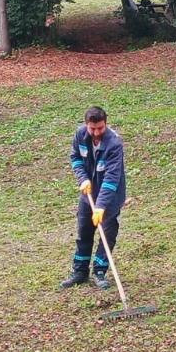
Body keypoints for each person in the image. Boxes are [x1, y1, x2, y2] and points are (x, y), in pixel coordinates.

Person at [59, 106, 127, 290]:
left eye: (100, 128)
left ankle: (100, 271)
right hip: (88, 194)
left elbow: (112, 179)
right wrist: (83, 179)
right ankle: (80, 271)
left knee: (107, 234)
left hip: (110, 197)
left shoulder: (114, 144)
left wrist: (101, 206)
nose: (96, 132)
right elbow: (75, 158)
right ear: (86, 124)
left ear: (106, 123)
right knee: (84, 231)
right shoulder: (80, 135)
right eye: (92, 128)